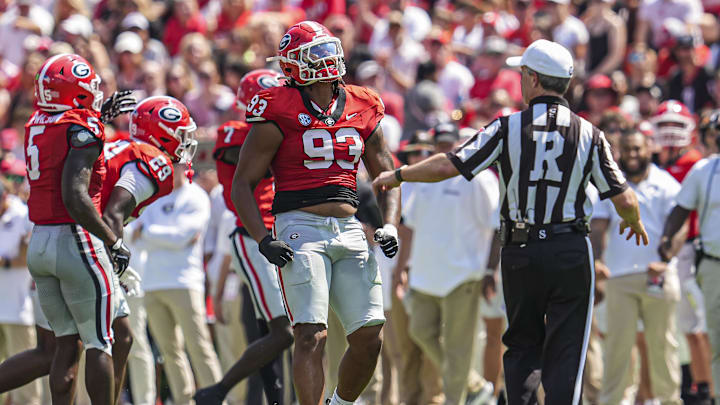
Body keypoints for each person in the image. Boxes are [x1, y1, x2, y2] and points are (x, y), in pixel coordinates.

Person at [373, 39, 648, 403]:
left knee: (521, 348)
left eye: (522, 74)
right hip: (570, 249)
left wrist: (401, 174)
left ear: (533, 79)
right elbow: (625, 197)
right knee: (567, 351)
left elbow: (450, 164)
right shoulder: (589, 133)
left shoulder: (507, 128)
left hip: (521, 248)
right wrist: (634, 220)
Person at [231, 21, 400, 405]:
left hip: (349, 225)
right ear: (292, 65)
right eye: (315, 54)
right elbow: (242, 183)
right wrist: (263, 238)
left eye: (329, 51)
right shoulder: (278, 105)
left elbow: (386, 175)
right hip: (299, 226)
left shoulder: (363, 102)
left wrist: (389, 223)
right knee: (311, 333)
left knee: (370, 335)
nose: (327, 60)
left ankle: (339, 403)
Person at [22, 53, 135, 405]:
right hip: (74, 239)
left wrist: (96, 119)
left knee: (65, 343)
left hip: (39, 240)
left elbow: (62, 143)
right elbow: (75, 195)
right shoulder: (83, 127)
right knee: (101, 341)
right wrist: (112, 239)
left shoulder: (37, 122)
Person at [195, 69, 293, 405]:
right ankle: (218, 391)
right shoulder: (234, 133)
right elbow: (260, 158)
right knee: (283, 331)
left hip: (280, 235)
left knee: (276, 332)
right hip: (254, 237)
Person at [402, 123, 501, 404]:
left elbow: (496, 226)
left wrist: (489, 270)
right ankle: (475, 385)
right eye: (440, 144)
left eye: (450, 144)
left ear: (460, 144)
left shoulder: (480, 178)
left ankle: (461, 395)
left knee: (459, 351)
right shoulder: (424, 177)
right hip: (424, 275)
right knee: (419, 331)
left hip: (464, 275)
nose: (445, 149)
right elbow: (411, 225)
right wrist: (406, 267)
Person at [591, 130, 683, 404]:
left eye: (637, 149)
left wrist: (665, 260)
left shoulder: (667, 183)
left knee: (662, 345)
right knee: (618, 348)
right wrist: (596, 259)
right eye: (627, 149)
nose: (632, 155)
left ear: (649, 149)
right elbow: (598, 225)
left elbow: (679, 226)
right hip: (619, 276)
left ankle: (670, 400)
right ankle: (613, 401)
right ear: (619, 152)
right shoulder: (610, 184)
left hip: (659, 275)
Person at [660, 110, 720, 403]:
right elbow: (680, 211)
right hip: (707, 260)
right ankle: (711, 391)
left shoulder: (699, 165)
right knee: (708, 332)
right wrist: (668, 240)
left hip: (703, 255)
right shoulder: (702, 169)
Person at [0, 182, 41, 405]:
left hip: (18, 308)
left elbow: (28, 258)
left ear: (5, 197)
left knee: (25, 381)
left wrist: (4, 262)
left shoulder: (23, 215)